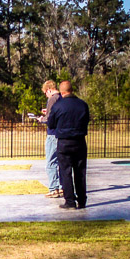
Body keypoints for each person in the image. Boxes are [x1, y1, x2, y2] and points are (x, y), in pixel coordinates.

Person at [47, 80, 90, 209]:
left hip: (64, 142)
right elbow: (86, 120)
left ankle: (70, 201)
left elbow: (51, 124)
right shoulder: (83, 105)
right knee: (80, 172)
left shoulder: (58, 106)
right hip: (79, 141)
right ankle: (82, 200)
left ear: (61, 92)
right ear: (72, 90)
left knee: (65, 172)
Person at [38, 80, 62, 198]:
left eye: (45, 93)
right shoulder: (62, 97)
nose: (46, 95)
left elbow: (49, 119)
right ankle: (62, 186)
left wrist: (41, 119)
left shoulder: (52, 99)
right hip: (61, 134)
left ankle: (54, 188)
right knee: (61, 162)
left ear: (49, 90)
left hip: (52, 133)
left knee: (51, 162)